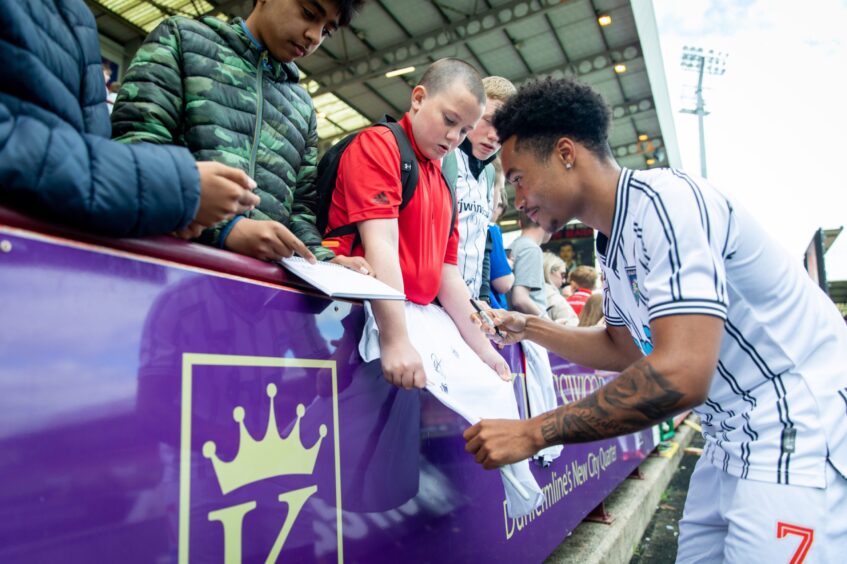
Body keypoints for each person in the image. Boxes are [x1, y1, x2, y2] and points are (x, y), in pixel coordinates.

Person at [464, 78, 847, 563]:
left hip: (795, 429)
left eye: (518, 178)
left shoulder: (666, 202)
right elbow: (623, 350)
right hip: (729, 438)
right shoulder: (615, 240)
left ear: (565, 153)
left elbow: (680, 374)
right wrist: (530, 327)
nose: (517, 200)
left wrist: (532, 432)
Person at [111, 0, 369, 271]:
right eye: (308, 14)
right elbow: (134, 151)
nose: (314, 37)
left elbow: (300, 212)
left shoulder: (301, 107)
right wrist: (226, 230)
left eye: (327, 31)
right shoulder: (182, 40)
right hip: (165, 267)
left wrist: (323, 261)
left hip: (256, 290)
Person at [0, 0, 260, 238]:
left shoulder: (77, 17)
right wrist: (175, 191)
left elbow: (92, 153)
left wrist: (167, 212)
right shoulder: (179, 37)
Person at [323, 58, 510, 389]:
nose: (454, 137)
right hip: (355, 327)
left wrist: (486, 352)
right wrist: (395, 339)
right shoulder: (379, 145)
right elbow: (381, 244)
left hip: (412, 327)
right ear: (419, 98)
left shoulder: (442, 179)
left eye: (465, 130)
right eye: (449, 120)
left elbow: (447, 275)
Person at [442, 76, 516, 299]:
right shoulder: (442, 158)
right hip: (433, 301)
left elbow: (482, 244)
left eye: (505, 128)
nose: (495, 136)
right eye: (488, 121)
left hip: (471, 304)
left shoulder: (490, 173)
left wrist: (483, 299)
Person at [508, 212, 549, 317]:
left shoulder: (513, 246)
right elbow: (520, 299)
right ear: (545, 222)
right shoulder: (531, 249)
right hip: (530, 326)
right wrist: (549, 323)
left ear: (520, 224)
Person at [485, 160, 514, 309]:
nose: (498, 209)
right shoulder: (491, 229)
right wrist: (509, 266)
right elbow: (504, 283)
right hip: (492, 309)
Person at [542, 252, 579, 326]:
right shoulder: (555, 299)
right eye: (562, 275)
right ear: (549, 271)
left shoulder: (522, 294)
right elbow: (571, 328)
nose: (564, 281)